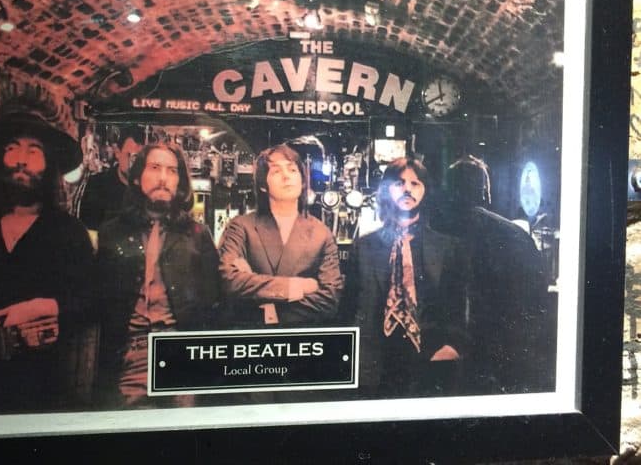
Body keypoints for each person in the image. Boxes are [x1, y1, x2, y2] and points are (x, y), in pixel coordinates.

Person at [0, 98, 99, 414]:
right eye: (13, 148)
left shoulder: (68, 231)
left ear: (49, 165)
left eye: (34, 151)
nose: (22, 160)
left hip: (43, 385)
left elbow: (92, 299)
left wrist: (43, 307)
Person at [96, 142, 220, 407]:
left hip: (180, 349)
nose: (163, 178)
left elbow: (214, 303)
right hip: (129, 353)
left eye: (172, 171)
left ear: (180, 183)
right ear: (138, 176)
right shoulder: (112, 232)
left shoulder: (198, 235)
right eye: (154, 168)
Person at [352, 157, 468, 397]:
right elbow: (351, 307)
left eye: (415, 183)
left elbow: (459, 306)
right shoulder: (365, 246)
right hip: (378, 362)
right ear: (386, 190)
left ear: (426, 191)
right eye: (399, 183)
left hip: (432, 358)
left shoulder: (448, 247)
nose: (407, 189)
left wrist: (452, 347)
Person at [442, 155, 554, 393]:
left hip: (449, 353)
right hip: (506, 353)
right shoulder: (515, 234)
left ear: (448, 189)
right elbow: (537, 293)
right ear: (486, 191)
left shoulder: (432, 233)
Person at [218, 144, 343, 328]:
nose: (286, 176)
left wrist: (269, 311)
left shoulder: (321, 233)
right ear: (262, 186)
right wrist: (298, 287)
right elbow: (230, 280)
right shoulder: (241, 227)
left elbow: (330, 299)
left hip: (301, 340)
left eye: (292, 170)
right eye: (276, 171)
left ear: (302, 181)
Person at [77, 126, 143, 232]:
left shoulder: (148, 189)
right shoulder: (97, 185)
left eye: (141, 159)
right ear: (117, 152)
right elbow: (88, 228)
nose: (135, 165)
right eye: (130, 156)